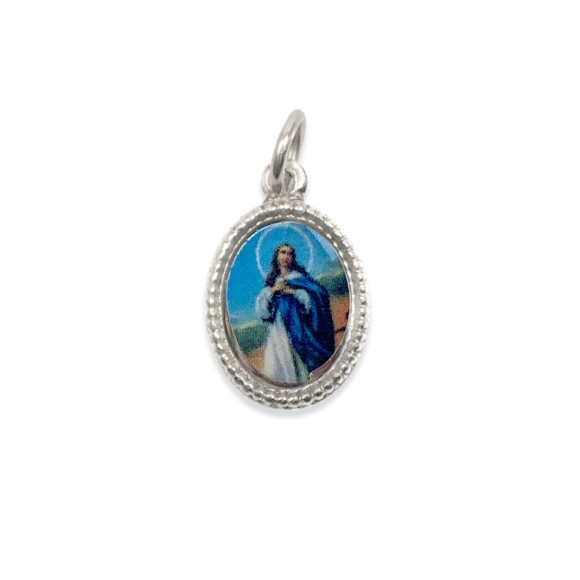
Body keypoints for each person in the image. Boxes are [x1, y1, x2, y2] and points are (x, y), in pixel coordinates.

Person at [255, 243, 335, 384]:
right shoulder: (272, 282)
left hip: (299, 329)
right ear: (276, 256)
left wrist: (292, 292)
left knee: (297, 366)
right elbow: (263, 311)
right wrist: (273, 291)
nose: (287, 256)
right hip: (277, 330)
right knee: (276, 366)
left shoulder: (300, 278)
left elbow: (318, 296)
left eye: (290, 253)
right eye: (283, 252)